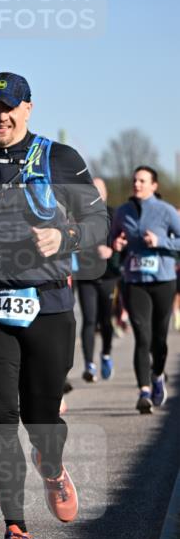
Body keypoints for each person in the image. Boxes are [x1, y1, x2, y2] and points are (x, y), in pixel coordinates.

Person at [0, 72, 107, 539]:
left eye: (10, 107)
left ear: (29, 109)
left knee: (41, 419)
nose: (2, 115)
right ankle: (17, 532)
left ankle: (52, 465)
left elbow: (101, 222)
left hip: (48, 306)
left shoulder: (61, 159)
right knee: (1, 415)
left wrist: (67, 238)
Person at [110, 166, 180, 413]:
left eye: (142, 181)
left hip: (163, 280)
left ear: (154, 185)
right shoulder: (123, 211)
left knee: (159, 339)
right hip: (135, 280)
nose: (137, 184)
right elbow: (112, 238)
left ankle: (158, 374)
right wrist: (116, 243)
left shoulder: (166, 211)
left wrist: (160, 241)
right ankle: (144, 392)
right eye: (135, 180)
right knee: (142, 335)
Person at [73, 177, 120, 382]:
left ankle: (106, 355)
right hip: (86, 275)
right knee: (89, 320)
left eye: (99, 189)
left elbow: (122, 242)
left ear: (106, 193)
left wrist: (112, 250)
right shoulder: (79, 215)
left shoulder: (115, 214)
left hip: (109, 276)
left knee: (105, 321)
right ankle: (89, 365)